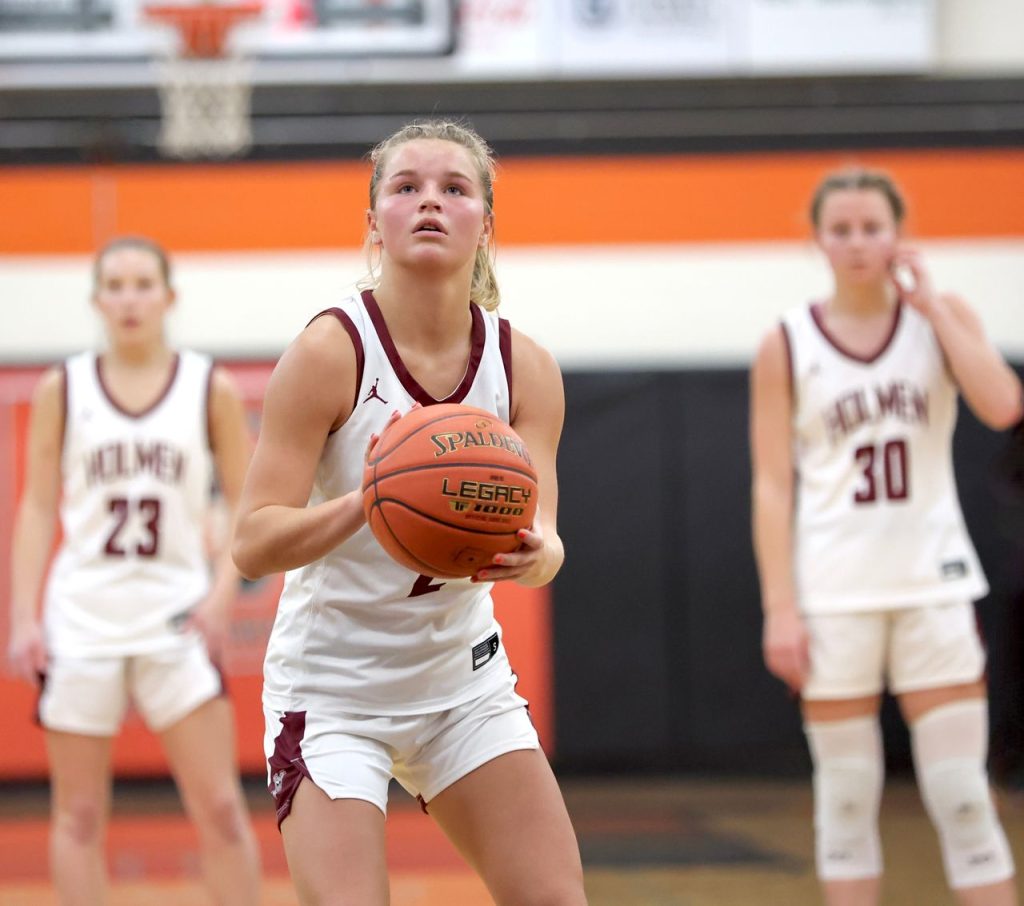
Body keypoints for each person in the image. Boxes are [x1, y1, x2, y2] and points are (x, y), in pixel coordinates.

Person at [232, 119, 587, 906]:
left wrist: (538, 554)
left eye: (454, 188)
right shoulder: (332, 350)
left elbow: (549, 540)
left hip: (462, 684)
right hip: (333, 691)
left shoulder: (523, 365)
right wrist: (371, 501)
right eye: (406, 187)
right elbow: (251, 544)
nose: (430, 202)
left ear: (486, 225)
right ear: (374, 223)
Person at [751, 168, 1023, 906]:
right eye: (841, 229)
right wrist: (781, 608)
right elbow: (773, 486)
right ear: (819, 241)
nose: (859, 242)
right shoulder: (786, 341)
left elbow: (1003, 406)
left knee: (963, 795)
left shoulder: (941, 317)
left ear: (898, 233)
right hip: (834, 593)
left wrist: (933, 305)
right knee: (843, 800)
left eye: (873, 226)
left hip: (932, 584)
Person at [7, 236, 262, 906]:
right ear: (96, 300)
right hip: (82, 616)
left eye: (142, 284)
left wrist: (220, 595)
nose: (128, 299)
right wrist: (24, 618)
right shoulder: (65, 387)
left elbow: (244, 502)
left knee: (220, 811)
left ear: (169, 296)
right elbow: (36, 506)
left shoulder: (212, 387)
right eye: (114, 286)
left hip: (175, 615)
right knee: (79, 816)